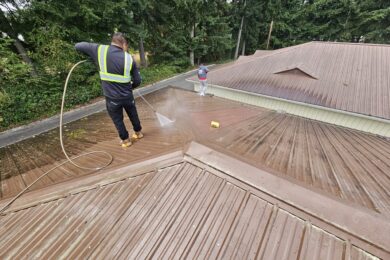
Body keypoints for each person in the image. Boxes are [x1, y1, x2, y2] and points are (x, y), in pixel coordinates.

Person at [75, 32, 143, 148]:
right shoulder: (128, 58)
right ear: (124, 44)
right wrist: (129, 87)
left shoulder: (99, 50)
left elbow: (78, 46)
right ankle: (138, 133)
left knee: (118, 120)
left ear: (113, 41)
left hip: (112, 99)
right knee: (133, 114)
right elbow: (137, 80)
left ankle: (126, 141)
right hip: (127, 96)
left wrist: (91, 57)